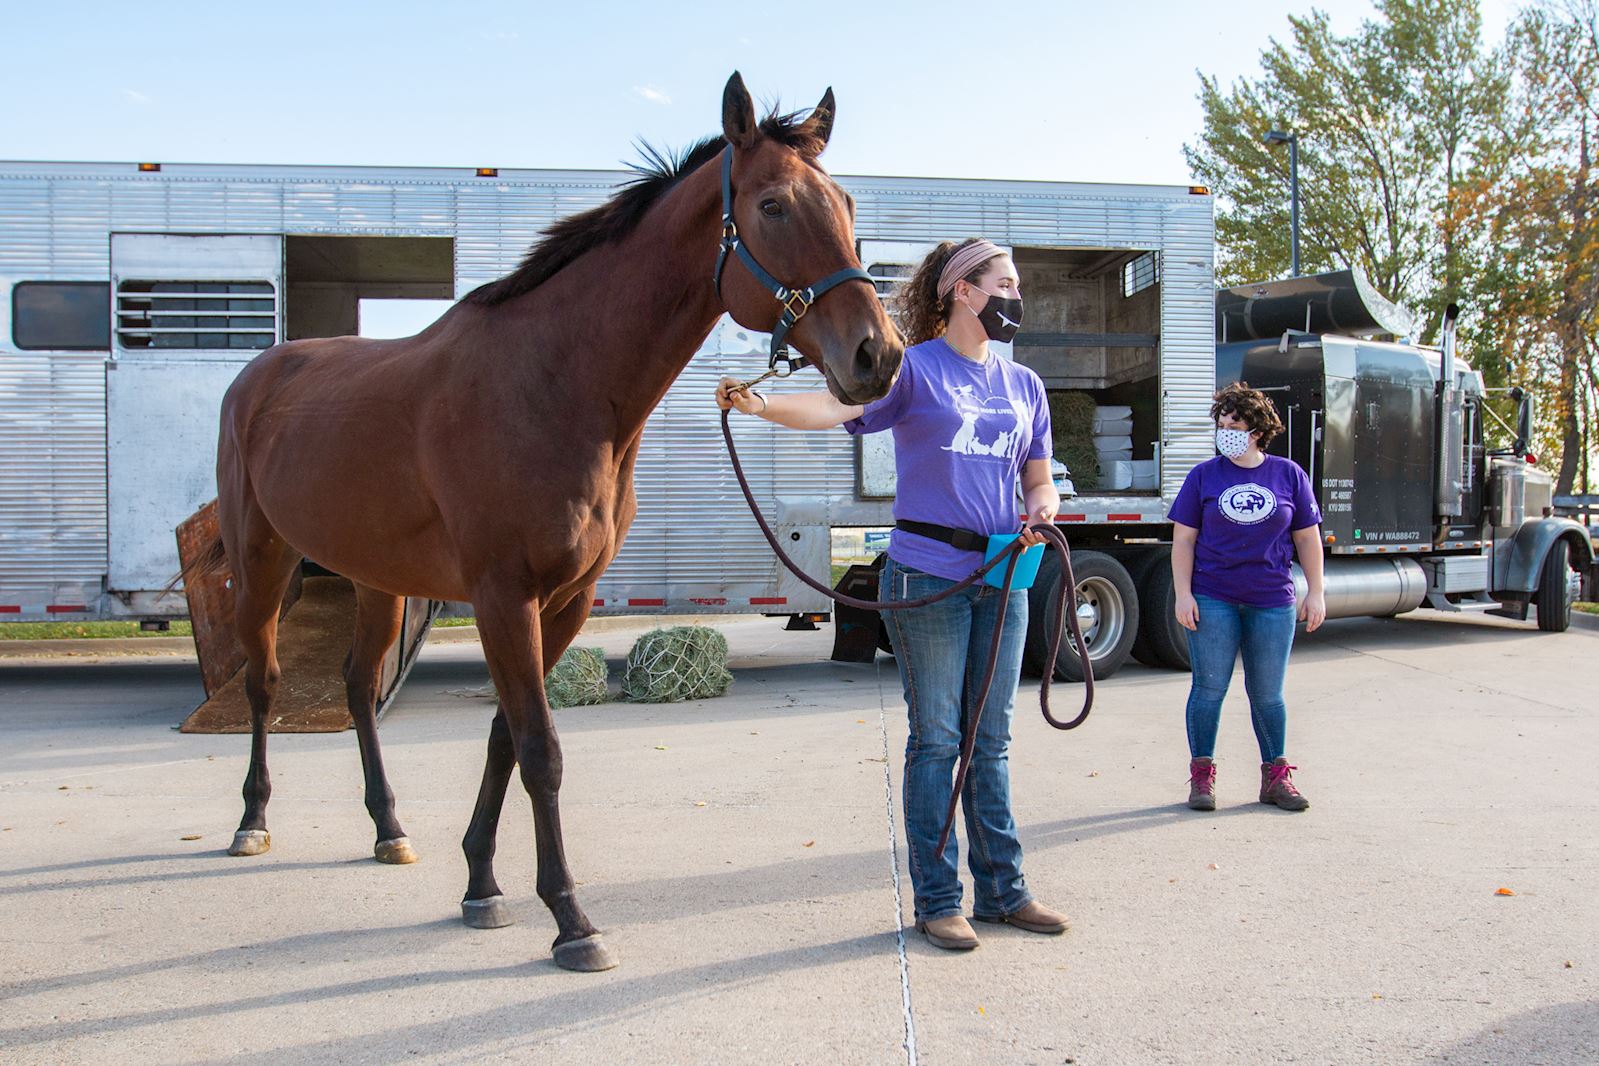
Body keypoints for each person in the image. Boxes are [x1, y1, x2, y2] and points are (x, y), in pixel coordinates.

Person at [716, 238, 1069, 952]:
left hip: (1004, 576)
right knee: (938, 740)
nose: (1014, 296)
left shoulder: (1024, 384)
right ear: (961, 292)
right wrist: (760, 407)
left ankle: (1004, 892)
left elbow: (1038, 475)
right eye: (1002, 283)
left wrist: (1044, 503)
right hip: (929, 576)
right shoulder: (913, 370)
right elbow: (832, 407)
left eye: (1015, 284)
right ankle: (940, 900)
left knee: (989, 741)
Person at [1168, 382, 1326, 813]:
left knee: (1268, 694)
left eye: (1234, 423)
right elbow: (1183, 541)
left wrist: (1316, 592)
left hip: (1272, 599)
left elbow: (1308, 539)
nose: (1225, 432)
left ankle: (1275, 777)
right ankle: (1202, 778)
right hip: (1214, 596)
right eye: (1221, 424)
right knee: (1209, 688)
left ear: (1256, 429)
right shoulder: (1204, 476)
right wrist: (1184, 594)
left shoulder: (1289, 475)